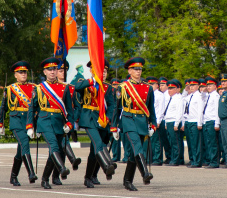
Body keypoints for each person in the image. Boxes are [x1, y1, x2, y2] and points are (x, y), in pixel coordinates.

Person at [30, 57, 75, 189]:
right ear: (44, 72)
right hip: (44, 121)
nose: (52, 72)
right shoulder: (39, 88)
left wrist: (70, 124)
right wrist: (30, 126)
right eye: (49, 70)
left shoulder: (64, 88)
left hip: (59, 122)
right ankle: (62, 168)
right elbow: (32, 108)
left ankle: (45, 179)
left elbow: (69, 109)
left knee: (56, 151)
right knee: (54, 146)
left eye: (55, 69)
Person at [74, 59, 119, 188]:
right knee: (98, 143)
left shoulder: (108, 88)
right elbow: (77, 88)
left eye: (105, 71)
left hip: (102, 120)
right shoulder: (86, 84)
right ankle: (107, 165)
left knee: (95, 150)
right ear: (91, 71)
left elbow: (111, 106)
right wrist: (92, 81)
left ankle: (91, 176)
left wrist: (109, 118)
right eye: (100, 70)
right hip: (89, 118)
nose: (103, 73)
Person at [115, 57, 157, 190]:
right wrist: (113, 126)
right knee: (137, 146)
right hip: (128, 119)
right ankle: (145, 173)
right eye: (135, 69)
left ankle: (127, 180)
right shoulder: (123, 87)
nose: (138, 71)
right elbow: (117, 109)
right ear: (129, 70)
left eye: (140, 69)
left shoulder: (148, 88)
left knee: (136, 151)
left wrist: (153, 124)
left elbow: (151, 109)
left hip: (142, 121)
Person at [0, 61, 38, 186]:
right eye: (20, 72)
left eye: (24, 72)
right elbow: (3, 107)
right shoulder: (10, 89)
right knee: (24, 143)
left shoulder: (34, 88)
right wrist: (0, 123)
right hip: (17, 121)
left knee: (21, 151)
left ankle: (13, 176)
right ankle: (31, 173)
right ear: (15, 75)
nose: (23, 74)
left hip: (29, 122)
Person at [164, 77, 185, 166]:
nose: (169, 90)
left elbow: (179, 112)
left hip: (173, 122)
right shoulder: (171, 98)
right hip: (169, 121)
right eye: (168, 88)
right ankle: (173, 158)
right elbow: (167, 111)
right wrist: (165, 123)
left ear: (177, 89)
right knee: (171, 142)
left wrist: (176, 124)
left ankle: (176, 160)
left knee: (176, 142)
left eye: (172, 88)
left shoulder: (178, 98)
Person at [199, 77, 220, 168]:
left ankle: (214, 161)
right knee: (208, 142)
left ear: (215, 86)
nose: (208, 87)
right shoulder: (207, 96)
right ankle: (210, 160)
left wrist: (217, 123)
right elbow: (201, 97)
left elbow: (217, 110)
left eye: (210, 85)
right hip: (206, 121)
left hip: (212, 121)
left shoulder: (216, 96)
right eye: (207, 85)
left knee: (213, 142)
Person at [184, 79, 204, 167]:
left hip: (195, 121)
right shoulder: (189, 96)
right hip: (189, 120)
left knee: (196, 142)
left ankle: (197, 161)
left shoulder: (199, 96)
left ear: (198, 86)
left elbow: (200, 111)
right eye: (190, 86)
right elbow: (182, 99)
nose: (191, 87)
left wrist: (199, 123)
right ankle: (193, 160)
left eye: (193, 85)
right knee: (191, 142)